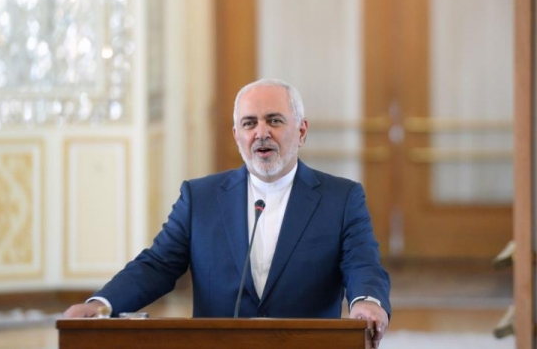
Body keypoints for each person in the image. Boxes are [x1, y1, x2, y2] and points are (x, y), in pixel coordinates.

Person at [64, 78, 391, 347]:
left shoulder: (342, 198)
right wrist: (102, 304)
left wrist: (367, 302)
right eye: (249, 123)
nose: (261, 133)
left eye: (274, 120)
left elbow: (362, 263)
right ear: (237, 135)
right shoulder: (200, 198)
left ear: (301, 131)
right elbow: (158, 264)